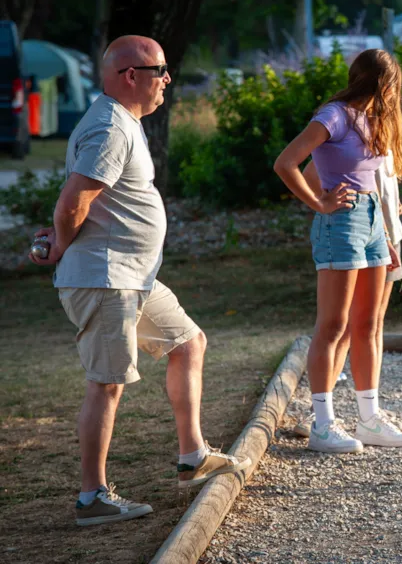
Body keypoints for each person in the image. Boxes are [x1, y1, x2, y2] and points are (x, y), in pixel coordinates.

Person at [29, 35, 250, 527]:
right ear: (131, 75)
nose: (168, 78)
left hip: (133, 277)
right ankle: (92, 498)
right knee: (107, 385)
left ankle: (193, 455)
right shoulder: (110, 127)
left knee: (188, 342)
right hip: (107, 279)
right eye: (161, 70)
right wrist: (63, 243)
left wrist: (63, 234)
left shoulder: (123, 122)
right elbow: (73, 201)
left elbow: (85, 204)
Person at [273, 48, 402, 454]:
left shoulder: (372, 119)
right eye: (393, 85)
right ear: (379, 82)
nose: (395, 94)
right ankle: (322, 425)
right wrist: (319, 202)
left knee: (367, 325)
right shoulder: (334, 115)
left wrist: (387, 233)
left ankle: (369, 419)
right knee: (333, 325)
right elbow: (287, 163)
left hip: (374, 223)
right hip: (343, 222)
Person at [292, 148, 402, 436]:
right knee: (344, 328)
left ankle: (370, 412)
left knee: (372, 325)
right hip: (358, 232)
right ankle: (317, 413)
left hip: (386, 234)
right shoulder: (352, 128)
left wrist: (393, 206)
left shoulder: (385, 131)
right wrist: (326, 203)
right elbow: (309, 174)